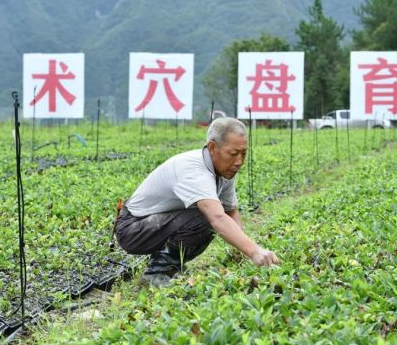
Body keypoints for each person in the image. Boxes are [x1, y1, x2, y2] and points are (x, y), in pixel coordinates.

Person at [115, 117, 279, 287]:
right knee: (206, 217)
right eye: (233, 154)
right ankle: (156, 272)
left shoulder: (224, 169)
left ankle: (170, 265)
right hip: (132, 228)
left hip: (156, 224)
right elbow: (217, 218)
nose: (239, 162)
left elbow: (230, 211)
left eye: (243, 153)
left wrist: (243, 249)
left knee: (208, 216)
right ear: (213, 148)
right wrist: (254, 251)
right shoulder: (194, 170)